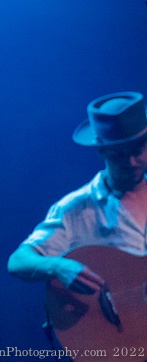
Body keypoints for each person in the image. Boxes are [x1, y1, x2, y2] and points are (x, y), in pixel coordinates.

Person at [8, 91, 147, 294]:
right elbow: (18, 261)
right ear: (101, 151)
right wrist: (57, 267)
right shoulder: (77, 208)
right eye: (118, 155)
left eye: (137, 152)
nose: (131, 162)